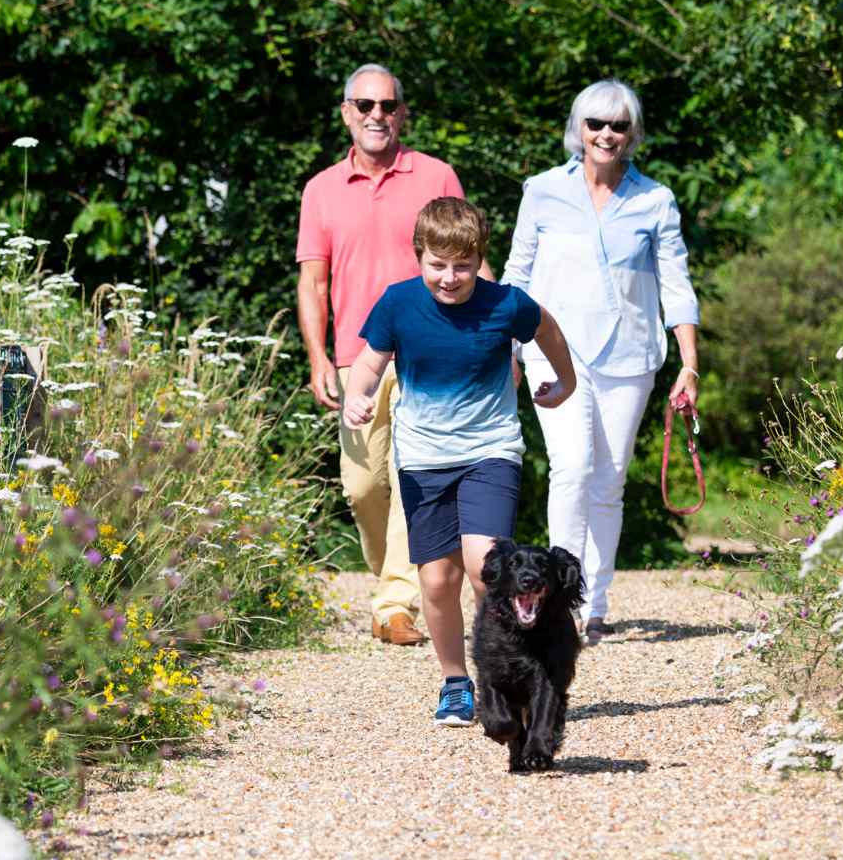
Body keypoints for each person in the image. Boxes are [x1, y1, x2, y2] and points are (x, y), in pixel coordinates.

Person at [342, 197, 576, 725]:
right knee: (437, 583)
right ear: (419, 256)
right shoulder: (398, 304)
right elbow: (369, 363)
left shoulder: (504, 304)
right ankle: (454, 682)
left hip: (490, 451)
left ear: (479, 260)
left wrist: (565, 380)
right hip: (424, 460)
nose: (450, 278)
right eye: (438, 266)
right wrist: (360, 396)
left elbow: (549, 330)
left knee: (483, 567)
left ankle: (507, 675)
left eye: (463, 266)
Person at [502, 79, 700, 644]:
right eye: (595, 124)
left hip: (630, 357)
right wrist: (509, 349)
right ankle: (556, 602)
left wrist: (688, 365)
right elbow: (517, 275)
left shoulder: (654, 200)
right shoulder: (541, 192)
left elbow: (676, 286)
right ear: (578, 129)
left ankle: (595, 600)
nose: (606, 134)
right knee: (571, 466)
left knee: (608, 482)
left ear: (632, 133)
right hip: (551, 350)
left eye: (617, 125)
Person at [297, 63, 474, 647]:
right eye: (366, 105)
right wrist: (319, 357)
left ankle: (397, 600)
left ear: (402, 113)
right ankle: (390, 583)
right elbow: (313, 284)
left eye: (389, 105)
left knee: (412, 477)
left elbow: (467, 261)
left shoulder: (436, 175)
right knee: (363, 485)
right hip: (356, 356)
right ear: (347, 111)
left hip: (432, 352)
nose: (378, 115)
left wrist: (498, 339)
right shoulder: (321, 190)